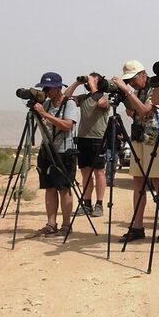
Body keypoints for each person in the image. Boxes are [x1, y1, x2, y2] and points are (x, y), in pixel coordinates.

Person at [112, 61, 159, 243]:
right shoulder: (136, 90)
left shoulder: (157, 86)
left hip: (155, 139)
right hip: (138, 137)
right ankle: (137, 226)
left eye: (133, 79)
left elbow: (146, 110)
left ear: (143, 74)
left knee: (157, 181)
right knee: (138, 181)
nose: (131, 83)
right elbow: (132, 112)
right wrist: (126, 96)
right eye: (128, 81)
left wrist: (127, 91)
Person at [31, 72, 79, 237]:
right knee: (49, 188)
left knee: (64, 189)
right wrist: (38, 113)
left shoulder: (69, 104)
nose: (46, 91)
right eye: (44, 88)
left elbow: (67, 125)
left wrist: (45, 114)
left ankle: (66, 225)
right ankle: (51, 224)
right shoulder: (46, 103)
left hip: (65, 152)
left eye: (49, 88)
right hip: (47, 151)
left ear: (59, 88)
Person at [63, 73, 110, 218]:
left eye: (93, 80)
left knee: (99, 172)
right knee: (85, 173)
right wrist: (77, 82)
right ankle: (87, 203)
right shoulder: (83, 98)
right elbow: (65, 97)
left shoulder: (105, 97)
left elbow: (101, 104)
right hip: (83, 138)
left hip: (98, 139)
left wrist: (93, 84)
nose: (89, 82)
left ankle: (99, 204)